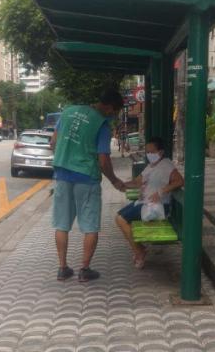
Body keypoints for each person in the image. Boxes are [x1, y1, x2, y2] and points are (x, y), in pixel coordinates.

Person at [51, 88, 126, 282]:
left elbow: (53, 142)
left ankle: (62, 268)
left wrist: (66, 154)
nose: (113, 115)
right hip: (87, 178)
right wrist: (114, 180)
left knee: (61, 224)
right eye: (115, 111)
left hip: (62, 175)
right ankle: (84, 270)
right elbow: (103, 161)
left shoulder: (67, 112)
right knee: (90, 225)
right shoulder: (102, 124)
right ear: (109, 107)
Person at [116, 137, 184, 269]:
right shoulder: (150, 166)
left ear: (161, 152)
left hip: (156, 206)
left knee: (120, 219)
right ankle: (140, 248)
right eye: (147, 152)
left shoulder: (166, 165)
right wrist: (123, 184)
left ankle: (139, 252)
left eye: (152, 152)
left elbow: (180, 181)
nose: (149, 155)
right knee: (119, 218)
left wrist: (161, 191)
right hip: (144, 202)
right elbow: (137, 182)